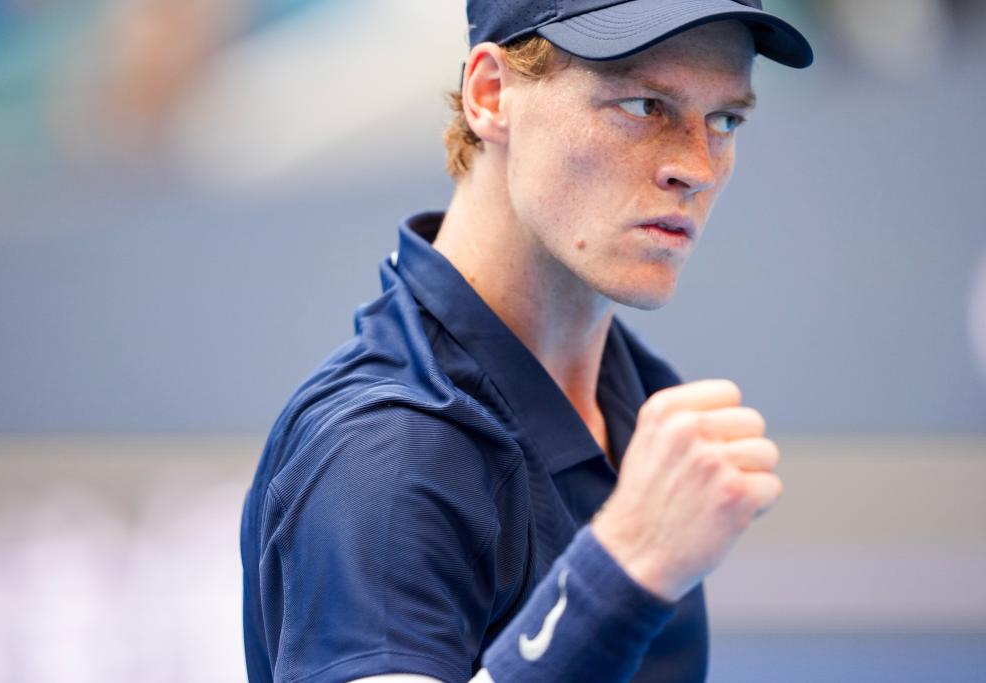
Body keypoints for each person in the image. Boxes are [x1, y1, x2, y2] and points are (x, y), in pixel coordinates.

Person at [241, 1, 812, 681]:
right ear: (490, 94)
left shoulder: (640, 399)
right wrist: (622, 568)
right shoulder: (387, 449)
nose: (697, 166)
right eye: (643, 106)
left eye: (725, 120)